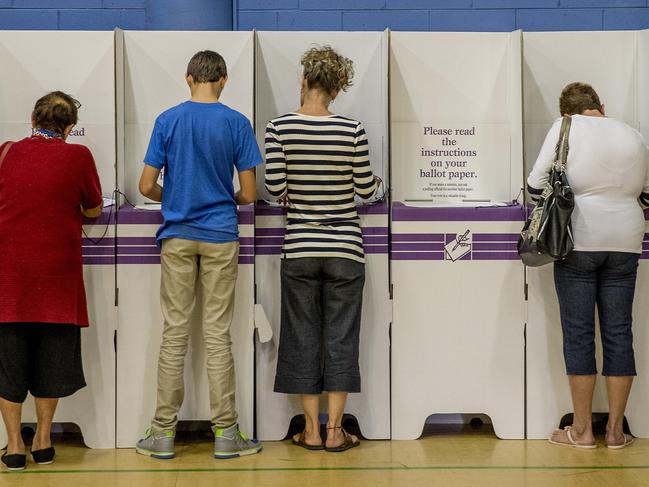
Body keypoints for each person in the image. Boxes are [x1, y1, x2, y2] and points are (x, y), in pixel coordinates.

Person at [136, 50, 262, 460]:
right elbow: (247, 193)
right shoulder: (237, 123)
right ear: (223, 80)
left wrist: (173, 196)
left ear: (188, 77)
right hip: (221, 235)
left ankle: (162, 434)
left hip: (176, 236)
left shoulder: (167, 120)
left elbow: (145, 185)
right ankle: (226, 434)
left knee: (174, 333)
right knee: (217, 334)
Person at [265, 46, 379, 452]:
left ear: (304, 81)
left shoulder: (279, 127)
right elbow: (366, 190)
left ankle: (310, 430)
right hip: (346, 248)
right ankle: (335, 432)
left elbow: (275, 188)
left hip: (299, 249)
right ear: (336, 89)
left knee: (301, 338)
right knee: (341, 339)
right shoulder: (352, 130)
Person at [527, 82, 649, 449]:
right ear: (601, 106)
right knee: (618, 333)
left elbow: (535, 184)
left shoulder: (564, 127)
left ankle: (581, 431)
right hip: (627, 241)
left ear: (567, 112)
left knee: (579, 333)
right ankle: (615, 431)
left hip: (578, 240)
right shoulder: (633, 134)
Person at [0, 92, 103, 471]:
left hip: (9, 277)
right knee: (51, 359)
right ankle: (43, 441)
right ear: (71, 127)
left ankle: (13, 447)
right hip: (57, 277)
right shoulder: (79, 156)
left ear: (32, 119)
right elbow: (93, 207)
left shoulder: (5, 152)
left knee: (8, 364)